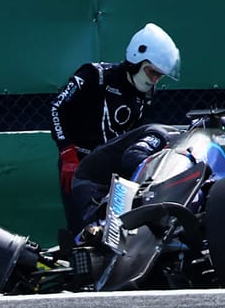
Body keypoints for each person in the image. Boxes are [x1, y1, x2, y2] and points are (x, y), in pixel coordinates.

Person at [49, 22, 180, 232]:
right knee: (83, 229)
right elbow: (57, 107)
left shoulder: (145, 95)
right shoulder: (94, 75)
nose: (154, 79)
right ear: (137, 59)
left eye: (159, 75)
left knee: (119, 228)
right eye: (151, 72)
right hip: (78, 163)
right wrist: (66, 150)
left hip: (114, 168)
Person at [68, 114, 225, 236]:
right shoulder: (163, 135)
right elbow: (133, 157)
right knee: (95, 236)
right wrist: (157, 183)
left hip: (122, 183)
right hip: (95, 183)